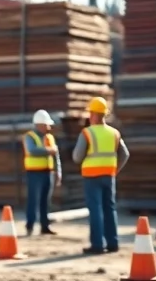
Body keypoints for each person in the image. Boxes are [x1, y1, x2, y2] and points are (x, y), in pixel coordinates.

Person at [71, 97, 129, 255]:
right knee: (110, 208)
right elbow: (125, 154)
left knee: (95, 209)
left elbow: (77, 157)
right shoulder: (114, 133)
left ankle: (97, 245)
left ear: (93, 114)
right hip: (109, 175)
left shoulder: (87, 133)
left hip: (92, 176)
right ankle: (113, 243)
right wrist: (115, 170)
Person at [22, 110, 62, 236]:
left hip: (47, 172)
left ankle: (45, 226)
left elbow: (56, 156)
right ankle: (30, 225)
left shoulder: (50, 138)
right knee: (33, 200)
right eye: (46, 125)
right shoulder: (29, 137)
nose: (48, 127)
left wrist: (58, 171)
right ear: (39, 125)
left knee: (46, 201)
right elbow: (32, 150)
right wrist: (49, 150)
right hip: (34, 173)